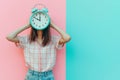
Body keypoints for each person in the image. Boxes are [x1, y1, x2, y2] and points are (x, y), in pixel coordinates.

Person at [6, 20, 71, 80]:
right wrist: (28, 25)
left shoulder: (53, 39)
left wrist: (52, 25)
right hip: (31, 75)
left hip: (48, 75)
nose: (40, 24)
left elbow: (67, 38)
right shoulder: (26, 39)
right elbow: (9, 37)